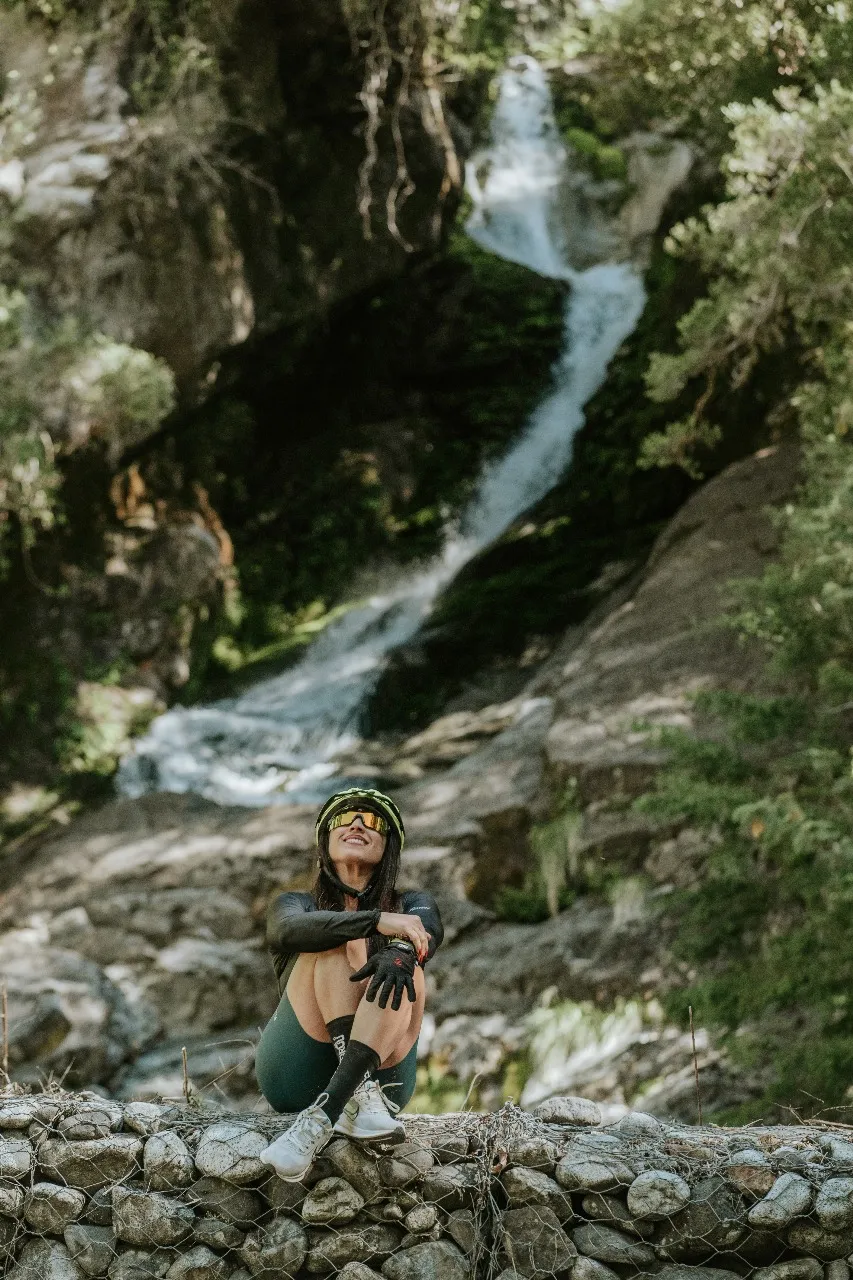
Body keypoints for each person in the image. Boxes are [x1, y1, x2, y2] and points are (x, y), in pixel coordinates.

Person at [256, 787, 443, 1180]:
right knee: (334, 939)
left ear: (388, 846)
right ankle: (351, 1095)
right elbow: (286, 931)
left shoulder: (413, 903)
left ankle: (324, 1116)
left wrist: (398, 948)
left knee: (406, 958)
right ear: (326, 839)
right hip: (297, 1070)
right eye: (344, 818)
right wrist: (375, 921)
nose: (357, 823)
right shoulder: (295, 904)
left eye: (372, 821)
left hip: (387, 1080)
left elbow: (429, 930)